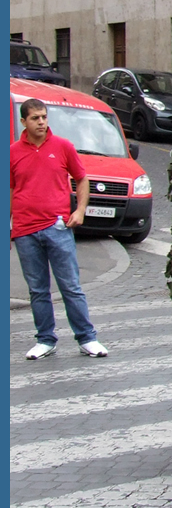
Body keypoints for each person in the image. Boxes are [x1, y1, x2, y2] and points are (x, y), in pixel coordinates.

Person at [10, 98, 109, 359]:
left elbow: (82, 178)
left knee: (71, 286)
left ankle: (87, 338)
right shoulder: (12, 152)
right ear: (24, 122)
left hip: (58, 226)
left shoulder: (63, 146)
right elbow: (9, 190)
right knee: (38, 289)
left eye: (44, 116)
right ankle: (45, 339)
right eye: (35, 118)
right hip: (24, 230)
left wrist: (80, 211)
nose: (41, 122)